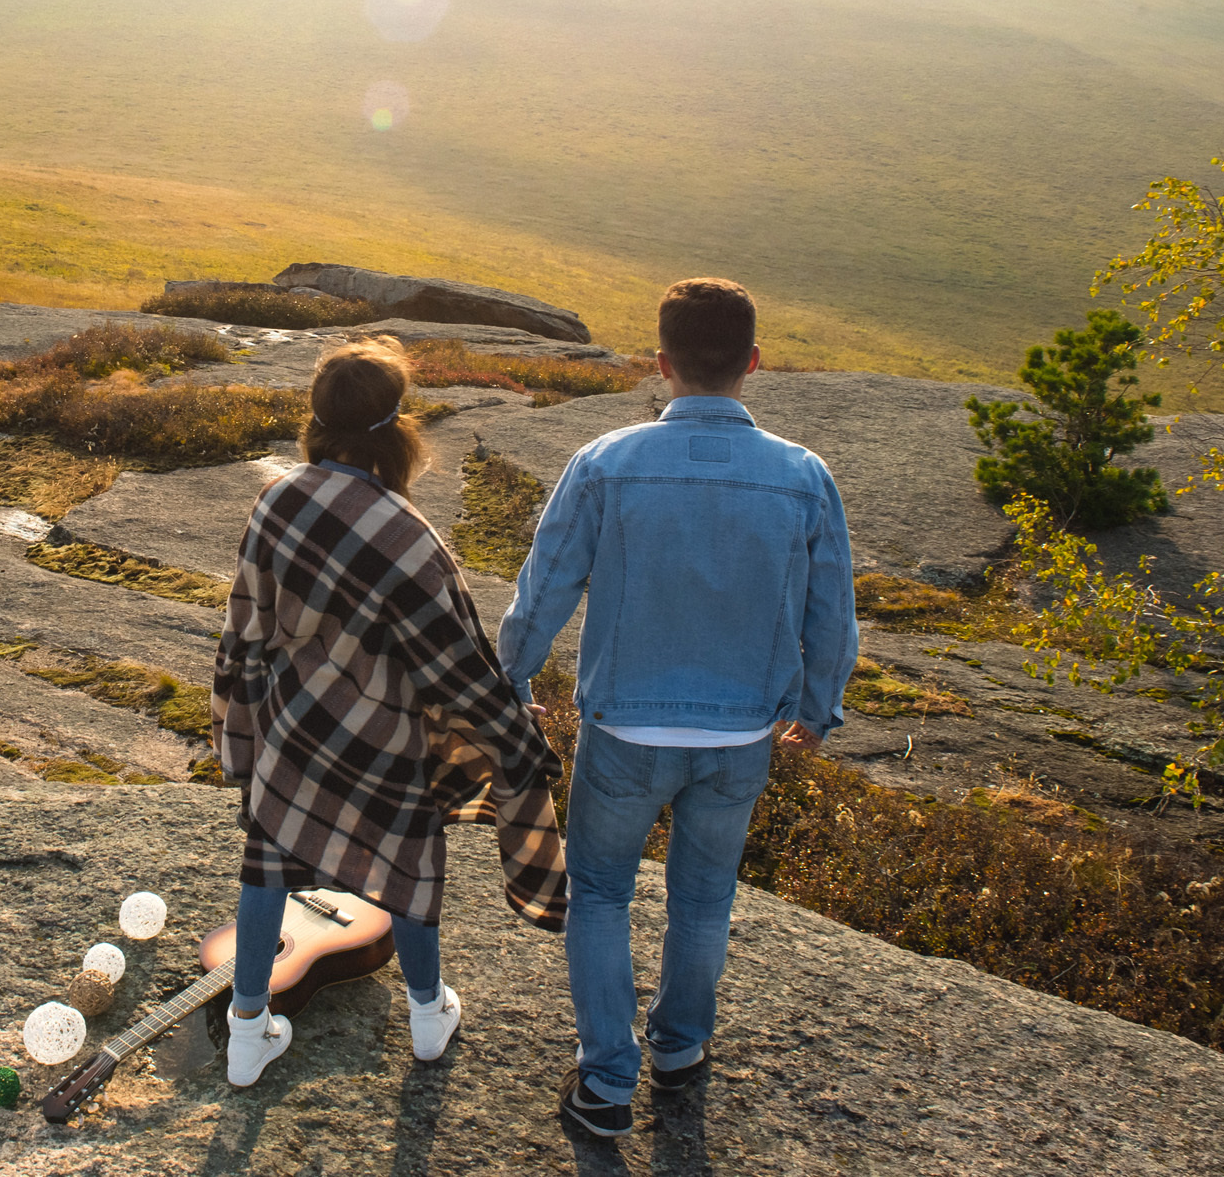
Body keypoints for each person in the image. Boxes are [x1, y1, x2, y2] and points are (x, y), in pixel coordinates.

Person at [497, 278, 858, 1139]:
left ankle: (608, 1084)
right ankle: (681, 1052)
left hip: (623, 730)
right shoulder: (804, 477)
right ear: (754, 363)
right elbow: (832, 616)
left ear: (661, 365)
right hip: (742, 736)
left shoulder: (607, 462)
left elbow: (545, 586)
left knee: (601, 896)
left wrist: (508, 680)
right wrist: (819, 707)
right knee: (704, 901)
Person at [214, 336, 568, 1088]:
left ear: (318, 420)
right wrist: (518, 737)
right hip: (383, 740)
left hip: (292, 729)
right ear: (398, 430)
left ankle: (247, 1034)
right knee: (410, 870)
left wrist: (236, 740)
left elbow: (244, 631)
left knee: (265, 868)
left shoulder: (276, 500)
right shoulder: (409, 538)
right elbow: (456, 668)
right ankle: (426, 1015)